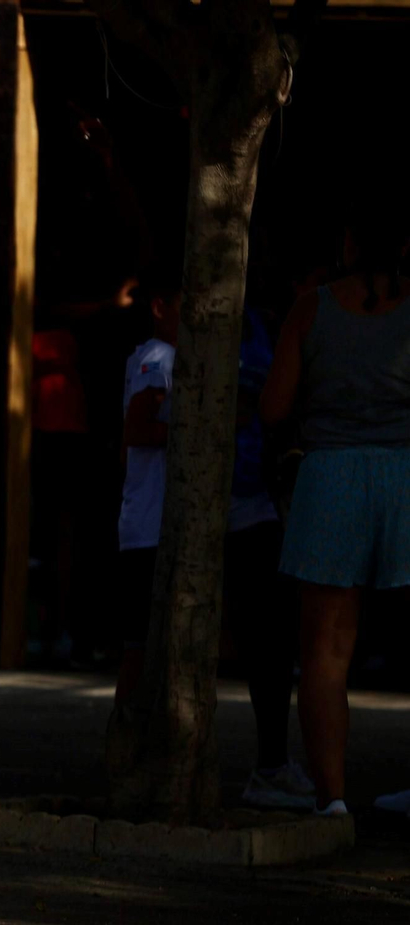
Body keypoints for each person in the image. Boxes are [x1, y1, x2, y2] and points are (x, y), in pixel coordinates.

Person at [114, 270, 310, 808]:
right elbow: (138, 428)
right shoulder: (161, 356)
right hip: (165, 523)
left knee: (209, 639)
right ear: (163, 305)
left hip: (223, 510)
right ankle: (131, 756)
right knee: (144, 646)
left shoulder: (191, 348)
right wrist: (213, 426)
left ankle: (150, 757)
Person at [261, 199, 410, 817]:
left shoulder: (310, 309)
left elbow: (272, 408)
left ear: (348, 243)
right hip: (404, 475)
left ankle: (333, 800)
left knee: (324, 652)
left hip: (329, 480)